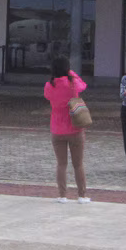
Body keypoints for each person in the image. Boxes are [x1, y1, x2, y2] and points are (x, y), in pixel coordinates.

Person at [44, 56, 89, 204]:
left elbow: (47, 96)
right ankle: (82, 195)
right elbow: (83, 85)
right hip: (75, 128)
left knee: (61, 164)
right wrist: (72, 73)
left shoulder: (49, 86)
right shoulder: (72, 84)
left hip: (57, 129)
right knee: (78, 164)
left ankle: (62, 195)